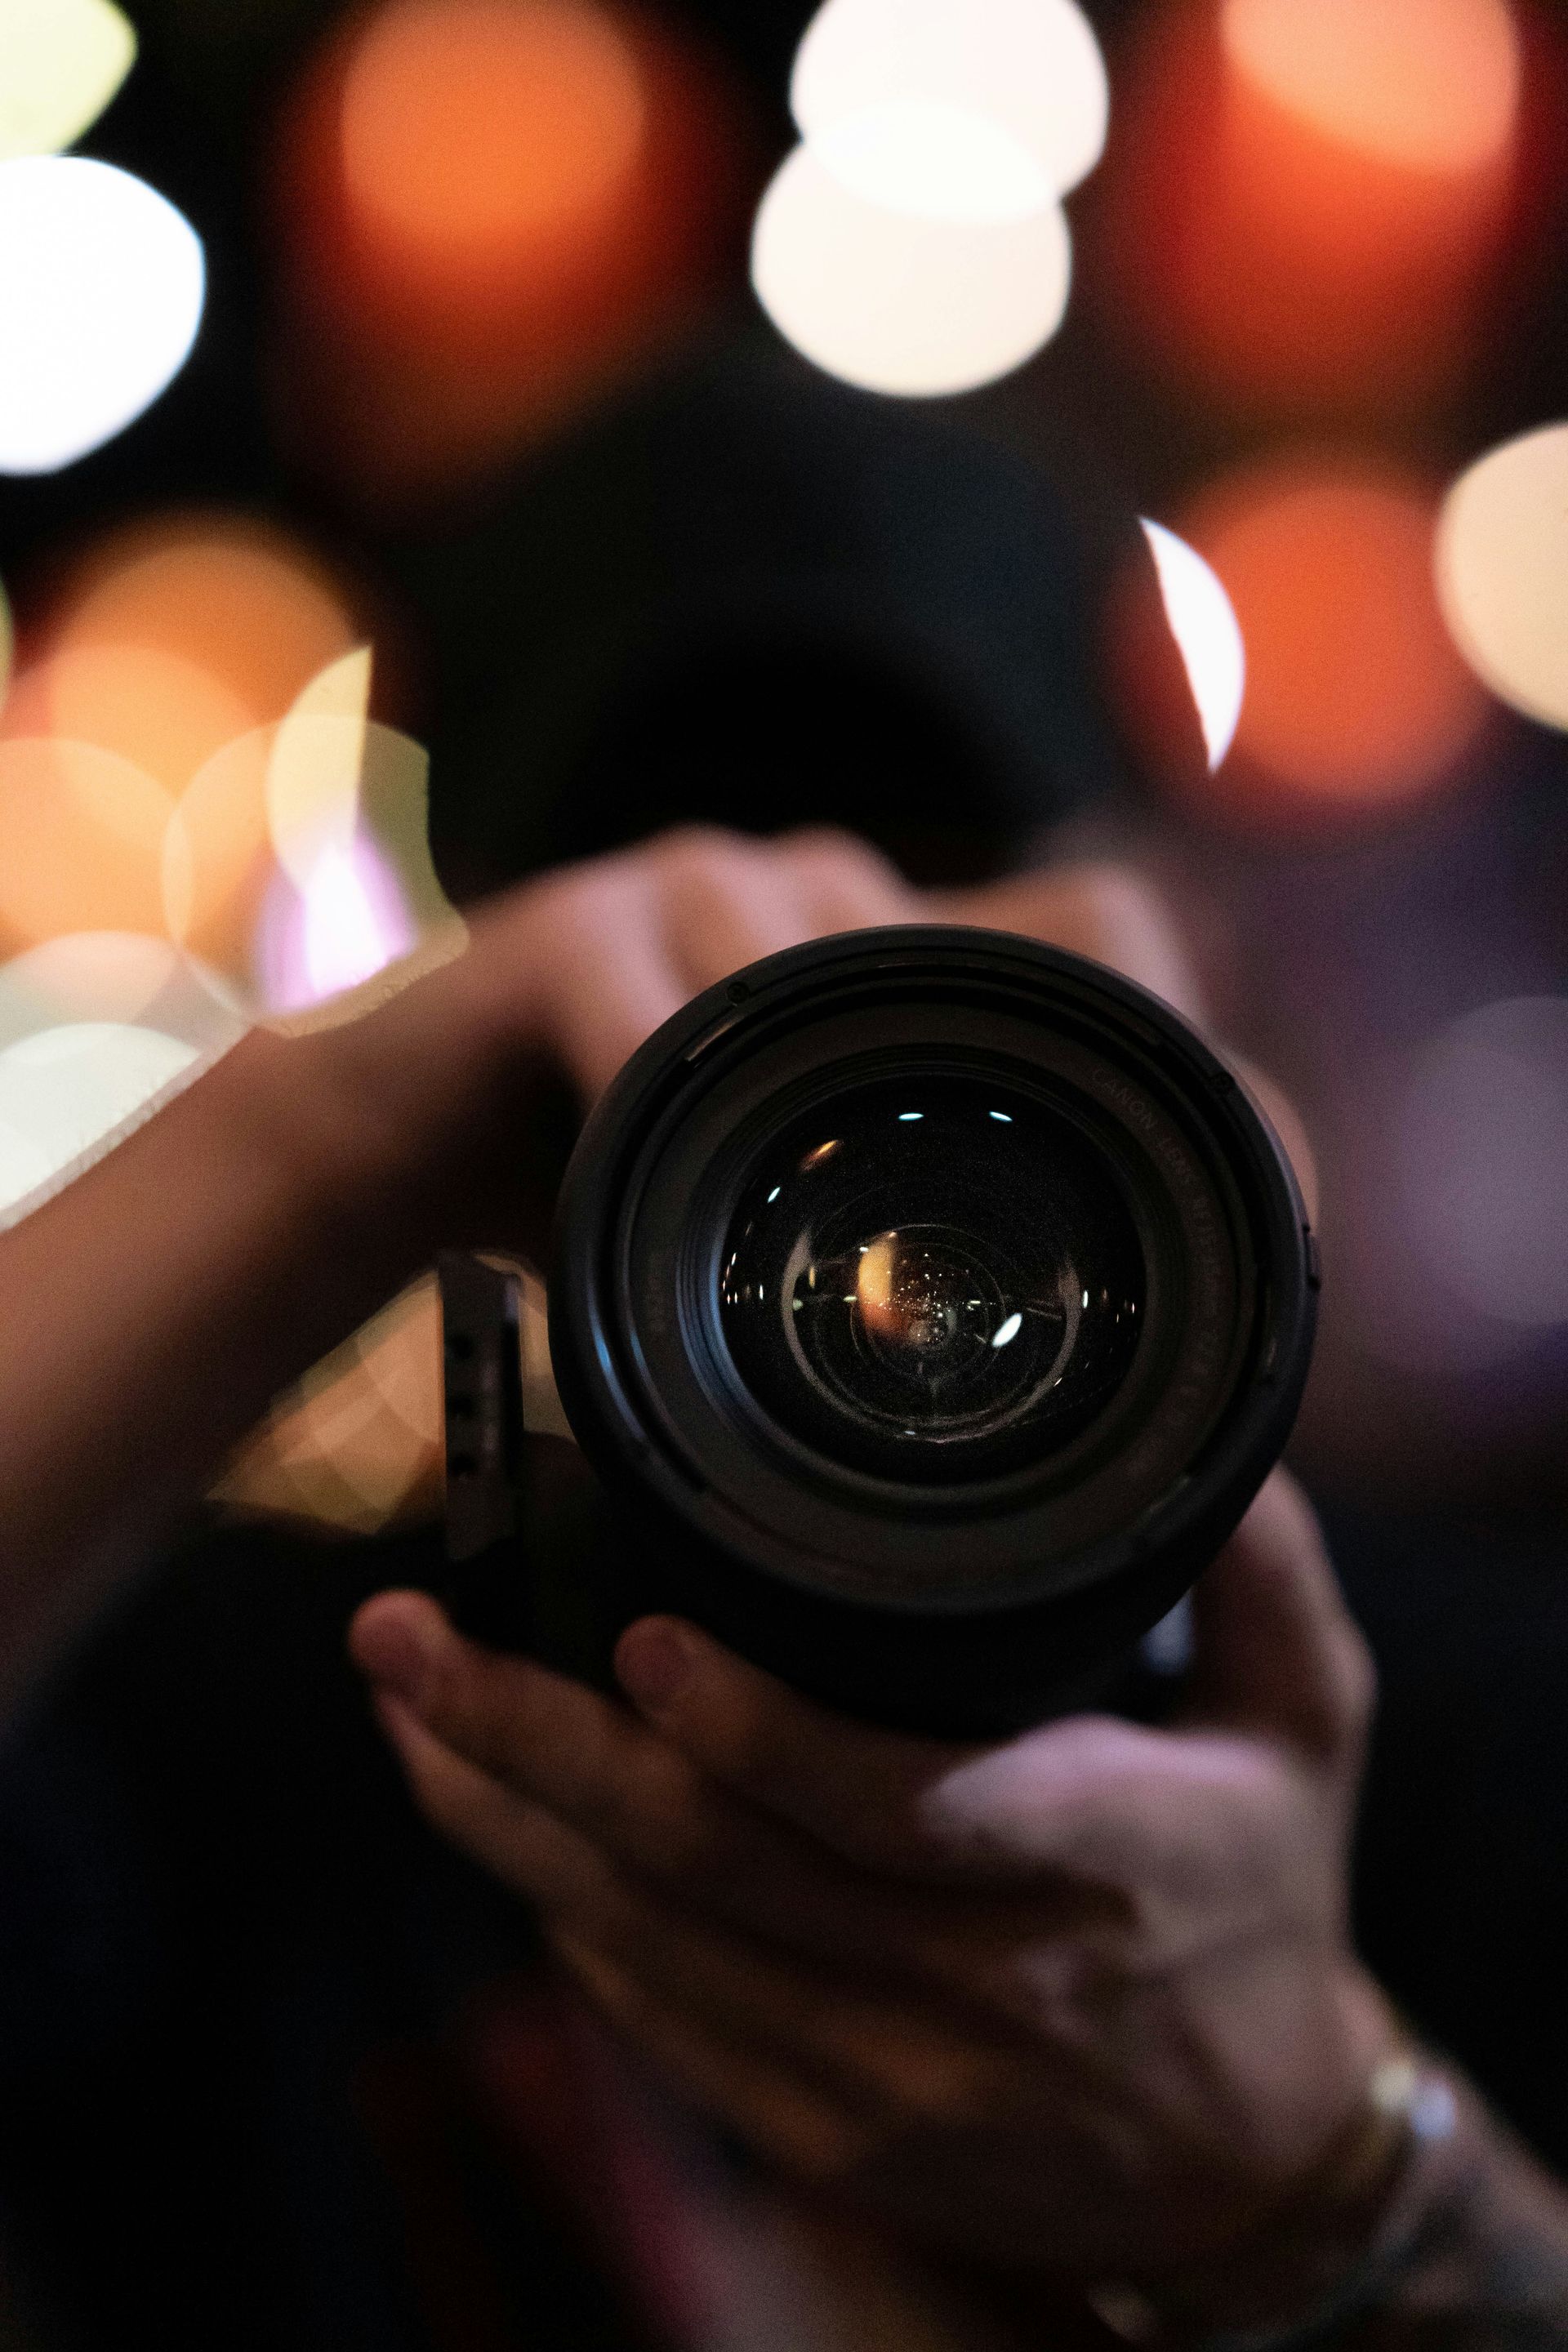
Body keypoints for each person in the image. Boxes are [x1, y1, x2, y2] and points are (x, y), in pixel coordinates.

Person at [1, 822, 1566, 2349]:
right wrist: (325, 1143)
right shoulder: (321, 1717)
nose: (809, 1005)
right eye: (692, 1020)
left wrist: (1331, 2174)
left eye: (941, 894)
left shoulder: (1472, 1748)